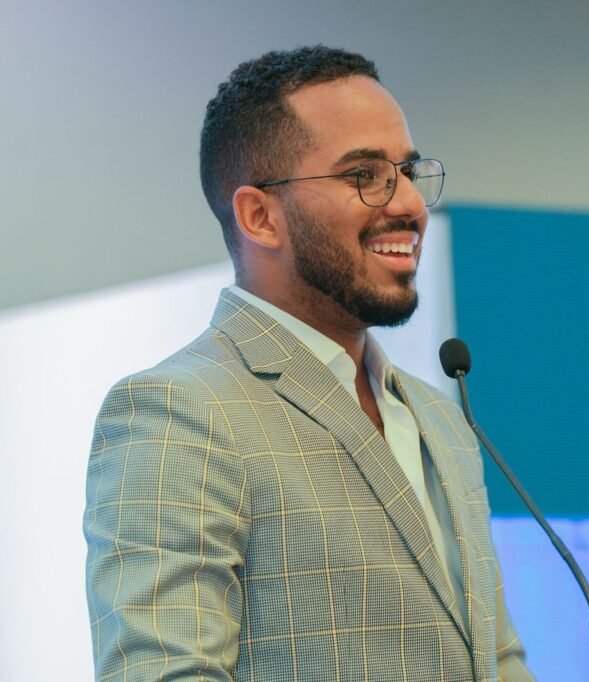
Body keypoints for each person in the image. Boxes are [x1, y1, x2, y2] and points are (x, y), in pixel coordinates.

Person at [84, 45, 533, 681]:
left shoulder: (440, 418)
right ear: (259, 216)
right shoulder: (179, 412)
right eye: (364, 175)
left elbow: (496, 658)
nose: (409, 202)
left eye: (407, 170)